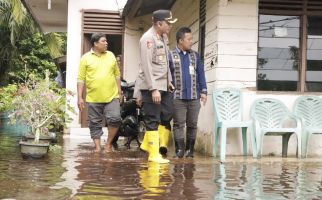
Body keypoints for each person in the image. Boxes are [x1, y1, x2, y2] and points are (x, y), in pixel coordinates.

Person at [135, 10, 177, 163]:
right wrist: (153, 89)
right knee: (152, 119)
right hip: (152, 86)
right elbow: (146, 66)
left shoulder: (163, 37)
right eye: (168, 23)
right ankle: (153, 155)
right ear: (159, 23)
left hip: (164, 84)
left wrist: (169, 81)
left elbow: (165, 62)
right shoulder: (147, 39)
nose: (170, 26)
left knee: (167, 114)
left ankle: (147, 144)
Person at [77, 33, 122, 153]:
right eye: (103, 41)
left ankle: (108, 144)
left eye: (106, 41)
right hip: (93, 97)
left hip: (112, 96)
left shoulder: (111, 55)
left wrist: (119, 91)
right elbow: (81, 79)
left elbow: (117, 75)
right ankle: (97, 147)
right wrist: (80, 97)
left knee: (115, 119)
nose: (106, 43)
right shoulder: (85, 58)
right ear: (95, 44)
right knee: (94, 123)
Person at [169, 27, 207, 158]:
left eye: (192, 39)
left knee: (192, 124)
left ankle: (190, 150)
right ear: (180, 40)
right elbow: (167, 75)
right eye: (189, 39)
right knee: (178, 124)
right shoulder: (170, 55)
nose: (191, 41)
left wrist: (204, 91)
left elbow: (201, 73)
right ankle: (179, 150)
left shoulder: (195, 56)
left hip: (194, 96)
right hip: (177, 96)